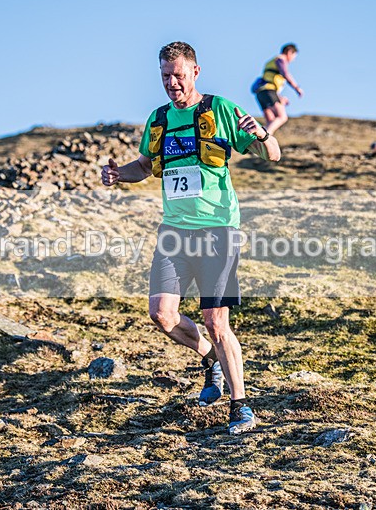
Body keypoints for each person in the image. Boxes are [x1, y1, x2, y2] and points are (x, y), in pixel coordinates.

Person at [101, 42, 282, 435]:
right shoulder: (159, 120)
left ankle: (241, 406)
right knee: (161, 315)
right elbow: (145, 167)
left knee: (217, 321)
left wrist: (263, 134)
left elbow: (273, 155)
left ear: (195, 72)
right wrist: (119, 176)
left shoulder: (220, 110)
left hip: (217, 229)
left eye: (178, 75)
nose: (172, 83)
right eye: (165, 76)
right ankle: (209, 360)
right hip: (174, 231)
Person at [251, 43, 303, 135]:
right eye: (294, 56)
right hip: (268, 91)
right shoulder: (280, 59)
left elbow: (269, 80)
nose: (293, 59)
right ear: (290, 52)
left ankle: (261, 141)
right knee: (282, 117)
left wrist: (279, 97)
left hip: (261, 93)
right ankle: (262, 138)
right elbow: (285, 74)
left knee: (271, 121)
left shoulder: (270, 62)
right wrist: (297, 88)